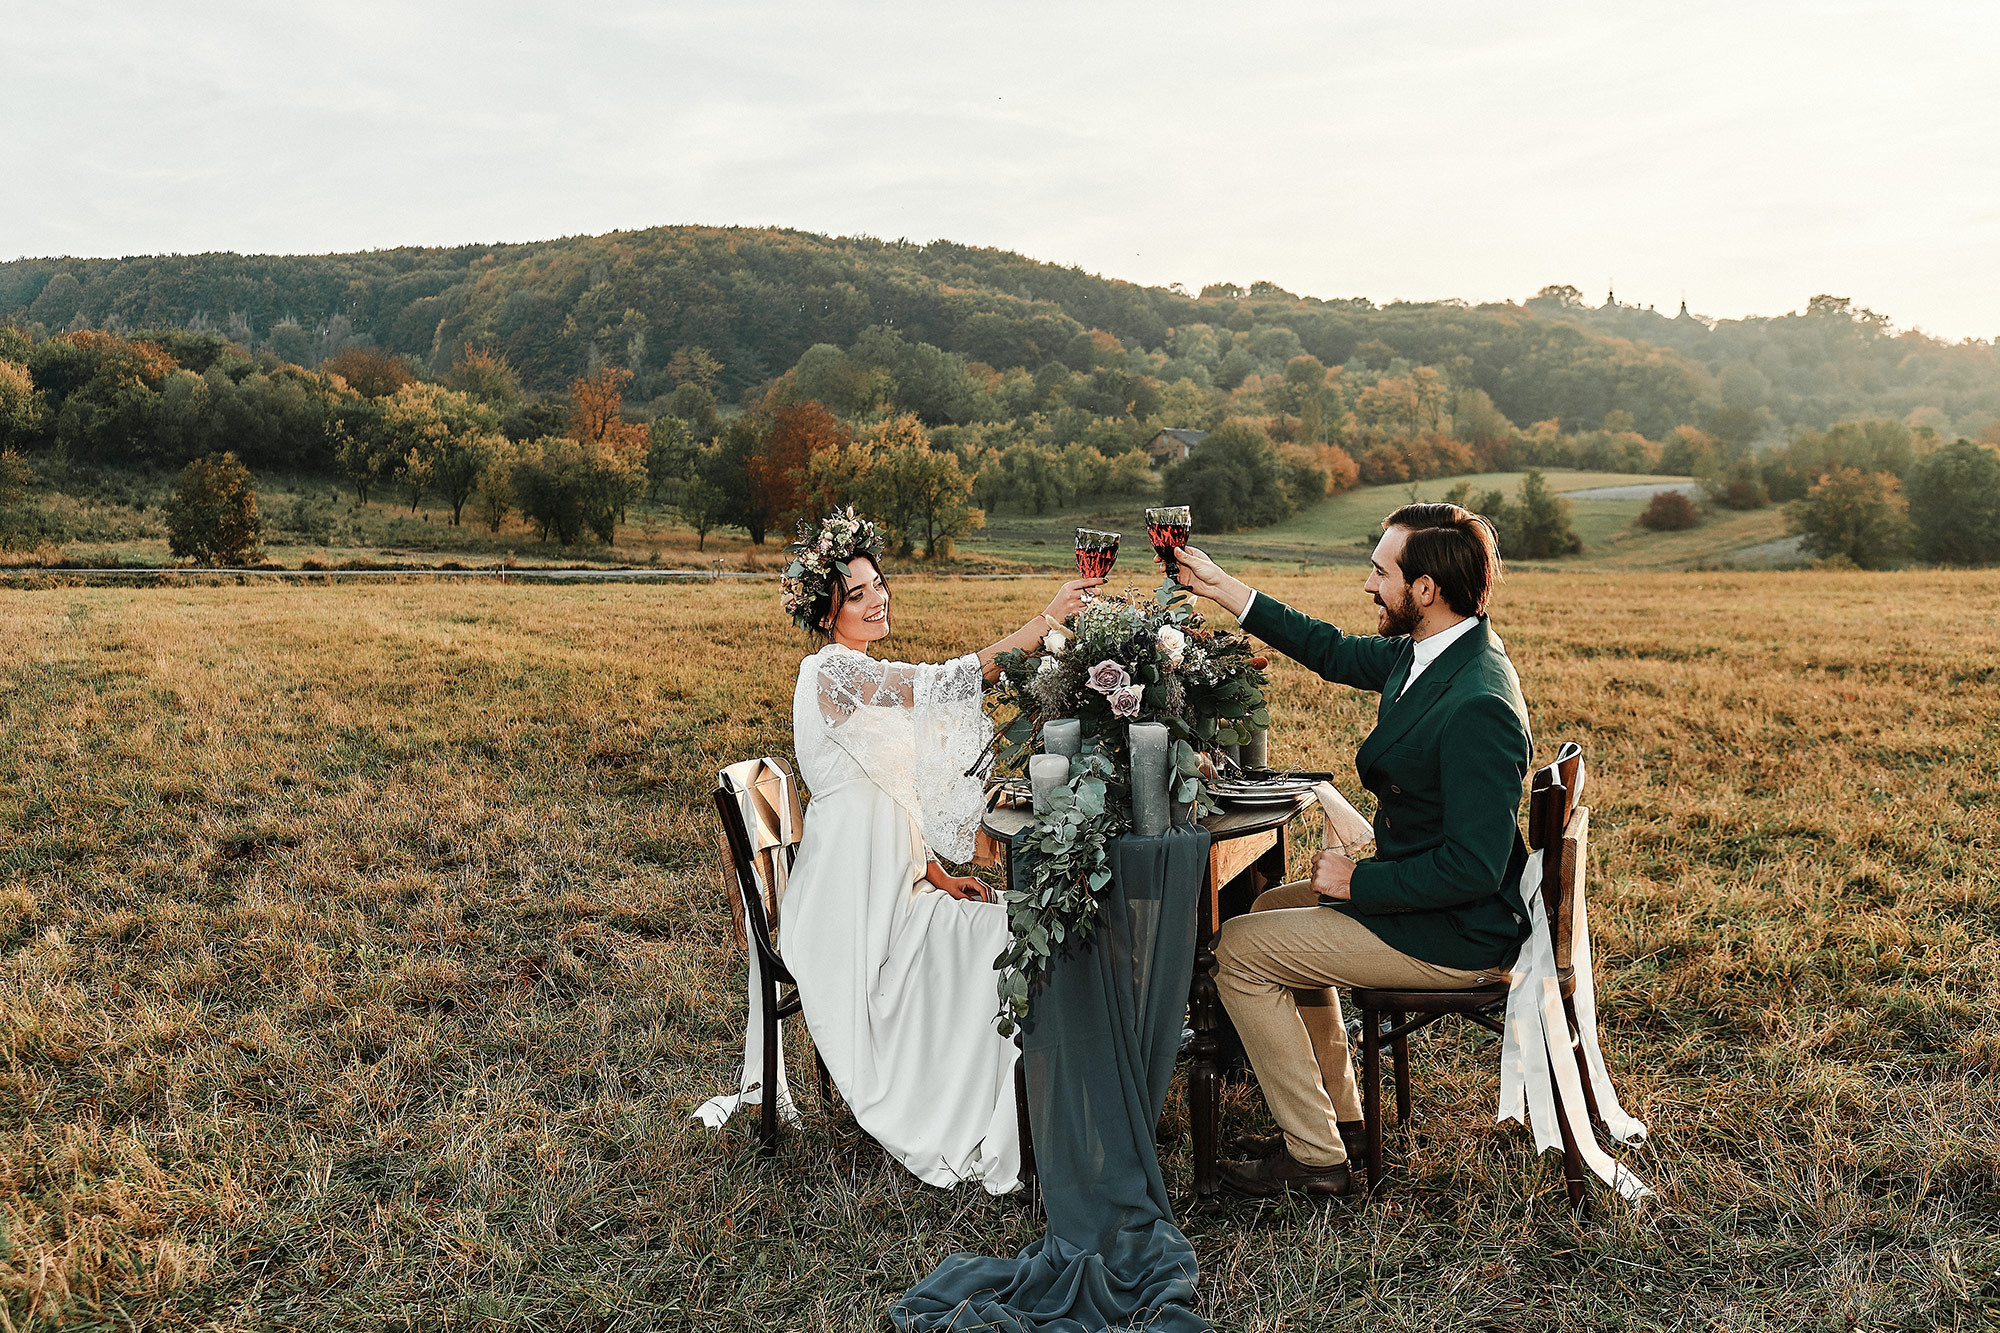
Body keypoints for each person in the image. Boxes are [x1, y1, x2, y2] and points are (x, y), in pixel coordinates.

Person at [1167, 502, 1534, 1198]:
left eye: (1380, 570)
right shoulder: (1436, 652)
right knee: (1273, 905)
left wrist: (1355, 883)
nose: (1369, 584)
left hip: (1457, 932)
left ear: (1424, 590)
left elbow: (1474, 867)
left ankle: (1316, 1161)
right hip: (1426, 902)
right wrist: (1223, 588)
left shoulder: (1477, 702)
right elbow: (1331, 648)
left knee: (1241, 950)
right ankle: (1340, 1118)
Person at [779, 507, 1101, 1193]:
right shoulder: (830, 674)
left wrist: (935, 872)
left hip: (895, 881)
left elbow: (889, 792)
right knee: (999, 937)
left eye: (877, 585)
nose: (875, 600)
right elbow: (940, 684)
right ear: (825, 611)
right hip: (851, 906)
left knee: (1003, 920)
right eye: (856, 594)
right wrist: (1042, 622)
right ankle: (996, 1111)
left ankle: (1040, 1101)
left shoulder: (853, 669)